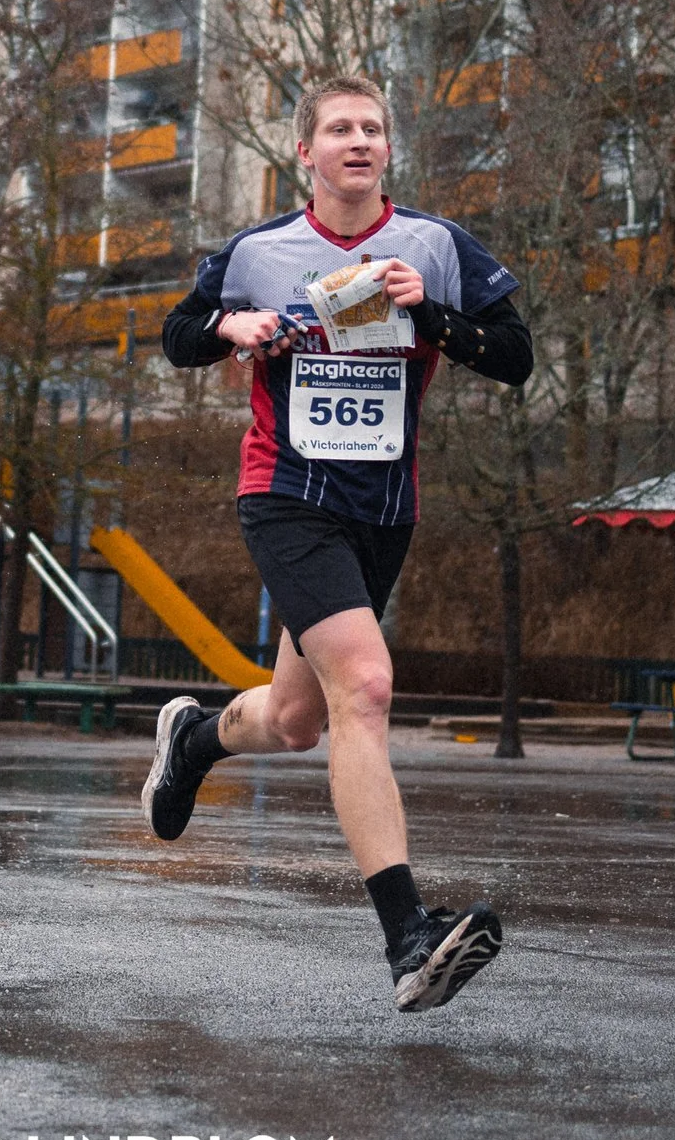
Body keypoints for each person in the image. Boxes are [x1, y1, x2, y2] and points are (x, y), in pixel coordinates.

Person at [144, 72, 533, 1013]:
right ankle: (409, 937)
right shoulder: (260, 251)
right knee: (366, 684)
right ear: (306, 151)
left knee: (295, 719)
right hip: (286, 493)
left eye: (372, 129)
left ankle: (193, 741)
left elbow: (515, 356)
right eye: (339, 129)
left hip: (384, 509)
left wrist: (432, 314)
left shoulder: (434, 246)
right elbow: (177, 333)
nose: (357, 141)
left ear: (388, 149)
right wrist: (231, 325)